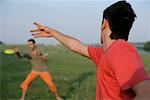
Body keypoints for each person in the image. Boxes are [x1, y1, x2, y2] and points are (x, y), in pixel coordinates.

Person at [30, 1, 150, 100]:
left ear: (104, 23)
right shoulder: (105, 53)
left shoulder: (120, 50)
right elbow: (76, 46)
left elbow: (146, 93)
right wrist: (52, 33)